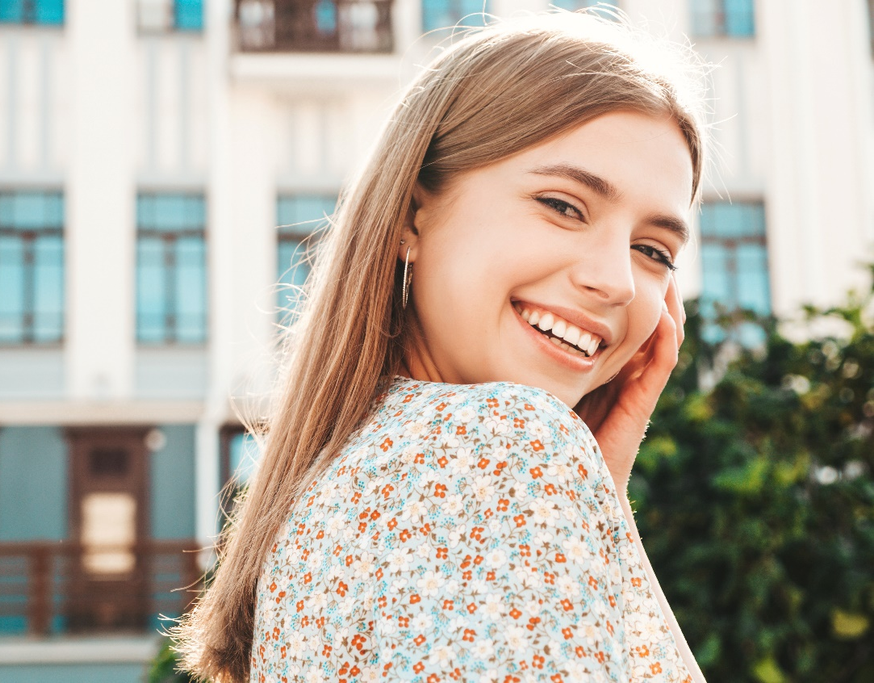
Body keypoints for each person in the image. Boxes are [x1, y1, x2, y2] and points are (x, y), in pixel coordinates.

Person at [175, 11, 710, 683]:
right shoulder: (510, 445)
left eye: (654, 249)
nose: (616, 280)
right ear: (412, 213)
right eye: (564, 205)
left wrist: (600, 499)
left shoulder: (329, 493)